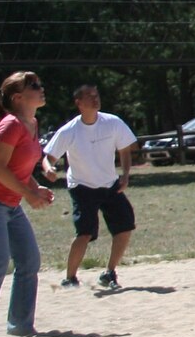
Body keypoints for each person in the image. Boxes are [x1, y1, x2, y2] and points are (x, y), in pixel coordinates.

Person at [0, 72, 56, 337]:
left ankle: (20, 326)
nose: (41, 89)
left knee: (29, 260)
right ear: (18, 97)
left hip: (9, 203)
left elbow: (19, 166)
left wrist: (34, 187)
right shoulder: (10, 125)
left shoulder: (31, 123)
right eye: (34, 86)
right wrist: (28, 195)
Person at [43, 85, 139, 290]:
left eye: (97, 96)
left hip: (109, 184)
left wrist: (125, 175)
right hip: (82, 186)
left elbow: (125, 149)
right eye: (89, 97)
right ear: (78, 103)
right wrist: (49, 168)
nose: (95, 100)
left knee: (125, 226)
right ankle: (70, 278)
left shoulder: (112, 122)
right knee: (85, 233)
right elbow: (48, 157)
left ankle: (109, 272)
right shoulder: (70, 130)